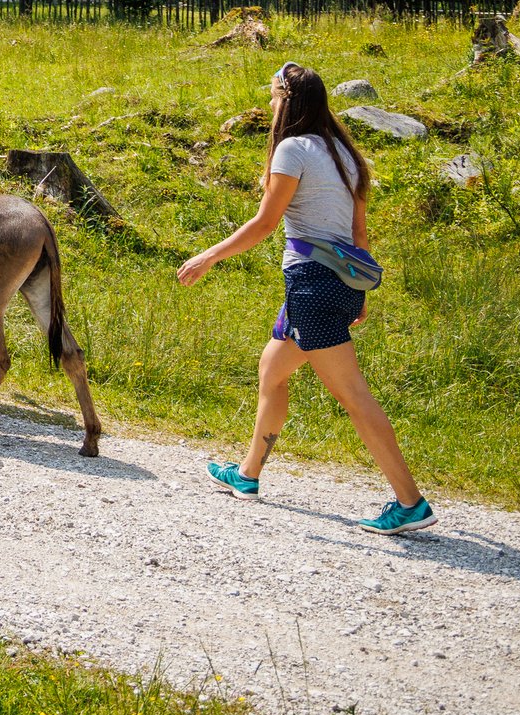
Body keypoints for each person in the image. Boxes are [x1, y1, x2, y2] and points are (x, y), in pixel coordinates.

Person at [177, 61, 435, 535]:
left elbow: (265, 223)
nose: (270, 104)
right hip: (334, 283)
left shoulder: (292, 149)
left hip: (312, 285)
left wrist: (209, 256)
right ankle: (248, 475)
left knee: (353, 395)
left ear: (287, 101)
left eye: (274, 96)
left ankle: (410, 502)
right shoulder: (348, 155)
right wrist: (358, 297)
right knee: (272, 373)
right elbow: (358, 235)